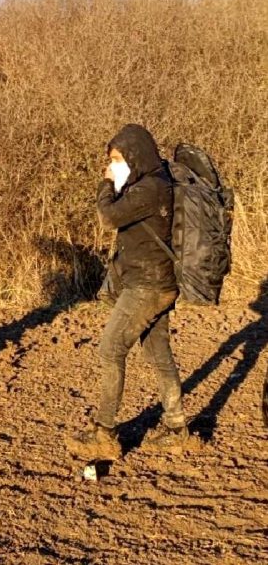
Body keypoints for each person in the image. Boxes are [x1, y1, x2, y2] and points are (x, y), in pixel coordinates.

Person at [67, 124, 189, 461]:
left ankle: (104, 432)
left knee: (110, 350)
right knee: (158, 353)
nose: (113, 166)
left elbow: (108, 217)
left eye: (117, 159)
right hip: (158, 283)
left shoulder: (149, 189)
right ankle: (177, 428)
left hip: (147, 286)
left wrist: (106, 184)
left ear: (135, 156)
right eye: (111, 162)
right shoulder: (156, 182)